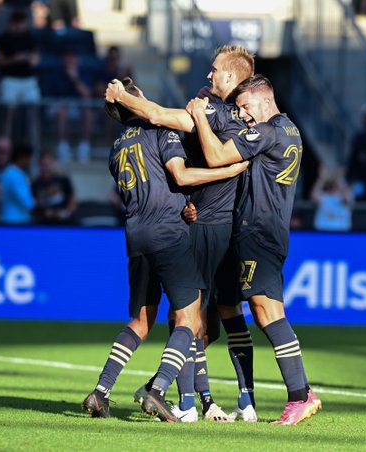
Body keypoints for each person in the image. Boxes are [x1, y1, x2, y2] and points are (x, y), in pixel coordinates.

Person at [82, 78, 248, 422]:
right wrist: (228, 170)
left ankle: (101, 392)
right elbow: (180, 175)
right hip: (167, 234)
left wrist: (184, 204)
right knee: (189, 317)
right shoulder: (159, 131)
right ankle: (157, 391)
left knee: (141, 321)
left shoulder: (117, 148)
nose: (143, 93)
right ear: (133, 101)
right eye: (137, 93)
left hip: (136, 234)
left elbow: (151, 185)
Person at [185, 74, 322, 425]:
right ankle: (292, 395)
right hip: (268, 229)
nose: (244, 115)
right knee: (251, 310)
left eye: (246, 107)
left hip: (258, 231)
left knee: (266, 312)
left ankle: (300, 394)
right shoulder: (291, 130)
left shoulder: (266, 131)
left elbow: (216, 157)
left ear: (265, 100)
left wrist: (200, 116)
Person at [0, 10, 40, 137]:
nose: (20, 26)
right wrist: (14, 59)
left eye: (23, 23)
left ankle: (32, 144)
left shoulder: (30, 38)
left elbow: (36, 59)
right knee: (8, 114)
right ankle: (6, 142)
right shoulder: (3, 38)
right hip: (10, 80)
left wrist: (30, 59)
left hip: (29, 80)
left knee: (32, 112)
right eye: (18, 23)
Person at [49, 51, 93, 162]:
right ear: (63, 60)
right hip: (56, 106)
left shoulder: (83, 73)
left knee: (88, 111)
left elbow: (86, 94)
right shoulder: (56, 73)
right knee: (63, 111)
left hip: (76, 108)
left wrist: (74, 78)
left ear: (78, 60)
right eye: (67, 58)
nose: (70, 61)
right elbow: (51, 96)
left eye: (72, 57)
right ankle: (62, 147)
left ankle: (84, 147)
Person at [31, 151, 77, 224]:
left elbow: (73, 200)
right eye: (43, 164)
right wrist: (44, 212)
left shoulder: (63, 179)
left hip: (63, 221)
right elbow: (33, 205)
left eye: (48, 163)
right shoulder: (35, 183)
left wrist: (66, 212)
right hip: (44, 222)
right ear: (39, 164)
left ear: (53, 163)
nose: (46, 167)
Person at [0, 143, 34, 224]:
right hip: (16, 224)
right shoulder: (16, 176)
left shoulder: (8, 172)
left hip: (8, 220)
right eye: (29, 157)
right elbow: (28, 203)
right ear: (22, 157)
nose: (31, 161)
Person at [312, 166, 353, 232]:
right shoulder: (324, 196)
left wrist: (340, 178)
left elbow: (347, 198)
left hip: (341, 233)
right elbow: (314, 196)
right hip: (322, 232)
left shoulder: (342, 196)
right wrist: (322, 178)